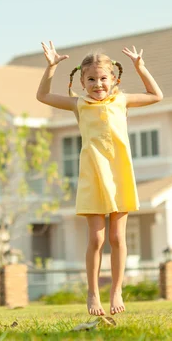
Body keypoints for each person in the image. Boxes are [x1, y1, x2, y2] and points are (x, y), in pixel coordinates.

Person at [35, 41, 163, 316]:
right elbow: (43, 96)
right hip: (93, 176)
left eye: (103, 78)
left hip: (119, 175)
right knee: (96, 240)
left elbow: (156, 95)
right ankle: (93, 293)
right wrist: (50, 67)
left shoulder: (122, 100)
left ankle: (117, 289)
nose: (98, 84)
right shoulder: (78, 104)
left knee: (118, 238)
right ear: (82, 81)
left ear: (114, 79)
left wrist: (141, 68)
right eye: (91, 79)